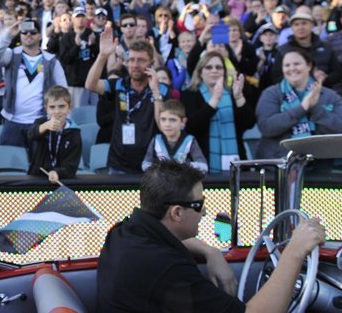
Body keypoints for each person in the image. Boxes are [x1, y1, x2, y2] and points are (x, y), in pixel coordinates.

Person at [97, 162, 327, 312]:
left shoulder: (124, 232)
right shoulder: (166, 269)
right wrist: (295, 252)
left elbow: (169, 239)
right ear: (176, 212)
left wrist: (210, 251)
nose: (205, 212)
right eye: (199, 205)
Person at [86, 27, 169, 174]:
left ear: (151, 63)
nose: (135, 65)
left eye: (141, 60)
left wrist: (155, 91)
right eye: (131, 60)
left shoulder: (162, 89)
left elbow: (163, 125)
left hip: (151, 164)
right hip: (119, 164)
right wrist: (102, 55)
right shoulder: (118, 84)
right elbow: (90, 85)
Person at [0, 19, 68, 151]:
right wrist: (8, 35)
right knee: (12, 166)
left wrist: (59, 119)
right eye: (24, 32)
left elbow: (63, 91)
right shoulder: (11, 54)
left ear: (40, 36)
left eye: (32, 32)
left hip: (41, 122)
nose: (28, 35)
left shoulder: (51, 60)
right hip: (13, 121)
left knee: (38, 168)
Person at [255, 49, 342, 159]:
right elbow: (266, 127)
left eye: (296, 64)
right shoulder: (271, 94)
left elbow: (341, 129)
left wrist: (315, 108)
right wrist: (302, 108)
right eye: (286, 65)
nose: (291, 68)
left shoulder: (331, 96)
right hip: (278, 163)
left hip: (321, 163)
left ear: (309, 66)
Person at [180, 51, 255, 171]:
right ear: (200, 72)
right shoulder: (189, 95)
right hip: (202, 165)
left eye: (218, 67)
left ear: (224, 72)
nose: (214, 70)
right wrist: (214, 101)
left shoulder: (233, 94)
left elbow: (249, 123)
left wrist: (239, 97)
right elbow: (191, 127)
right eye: (208, 67)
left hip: (237, 165)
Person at [27, 85, 81, 183]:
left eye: (61, 106)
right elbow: (31, 134)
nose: (57, 111)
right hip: (37, 179)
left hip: (62, 180)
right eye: (52, 107)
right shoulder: (41, 122)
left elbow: (71, 166)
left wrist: (57, 173)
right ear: (46, 109)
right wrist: (45, 126)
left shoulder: (74, 133)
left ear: (69, 108)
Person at [142, 100, 207, 172]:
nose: (167, 124)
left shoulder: (189, 141)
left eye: (172, 120)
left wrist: (182, 165)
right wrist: (158, 168)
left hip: (184, 182)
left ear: (183, 121)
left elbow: (203, 167)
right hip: (161, 182)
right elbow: (145, 164)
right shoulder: (156, 140)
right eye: (163, 119)